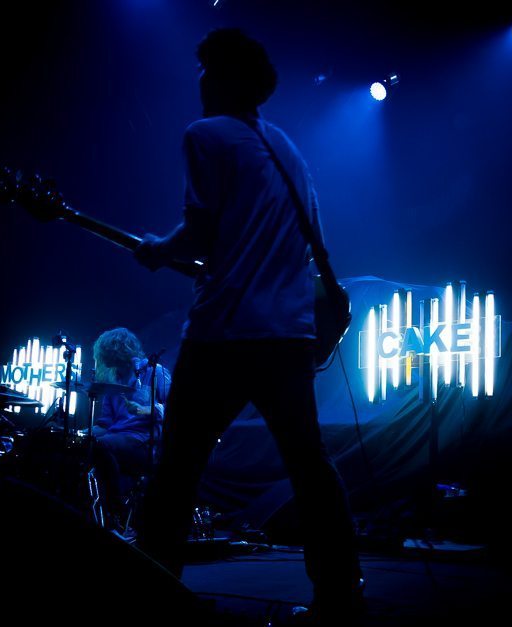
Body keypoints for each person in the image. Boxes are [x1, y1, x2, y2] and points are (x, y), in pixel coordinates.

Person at [133, 28, 363, 621]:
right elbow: (303, 245)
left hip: (224, 333)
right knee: (310, 466)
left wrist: (159, 248)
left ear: (227, 78)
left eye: (208, 69)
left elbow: (200, 235)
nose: (201, 80)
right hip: (287, 337)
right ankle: (341, 593)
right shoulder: (288, 149)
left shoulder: (204, 135)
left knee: (177, 468)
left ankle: (152, 593)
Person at [91, 327, 170, 524]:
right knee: (85, 445)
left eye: (103, 351)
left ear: (115, 350)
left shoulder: (155, 372)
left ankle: (116, 509)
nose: (101, 357)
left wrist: (145, 410)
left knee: (102, 445)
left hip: (144, 440)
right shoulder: (112, 381)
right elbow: (105, 424)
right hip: (116, 438)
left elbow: (175, 409)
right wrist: (82, 433)